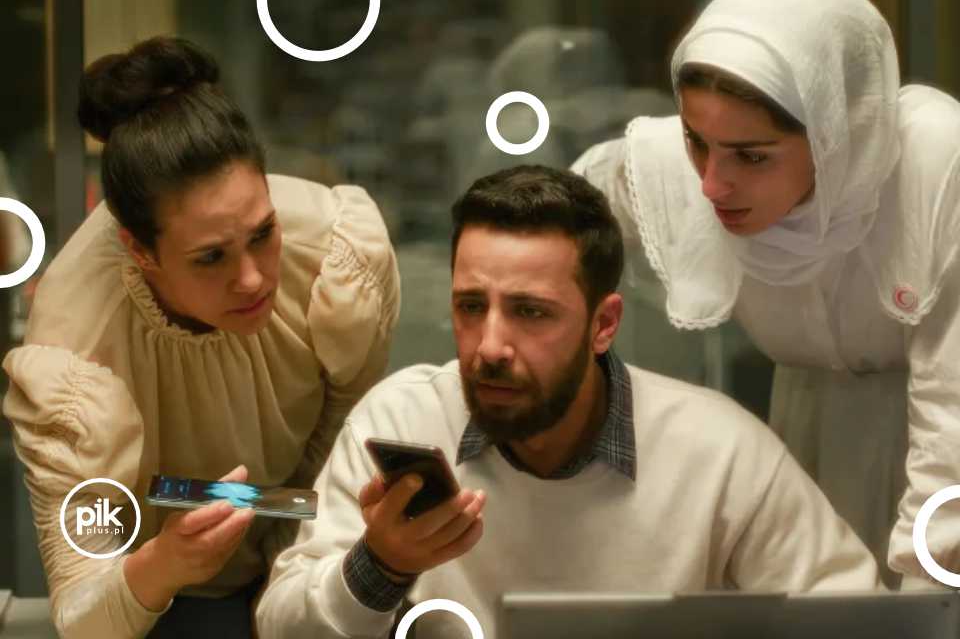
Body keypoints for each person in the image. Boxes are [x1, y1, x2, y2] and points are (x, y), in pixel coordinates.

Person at [255, 166, 881, 639]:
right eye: (470, 306)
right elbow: (280, 628)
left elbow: (860, 619)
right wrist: (380, 566)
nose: (489, 347)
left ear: (604, 324)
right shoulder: (404, 420)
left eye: (530, 312)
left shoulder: (719, 452)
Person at [1, 37, 400, 637]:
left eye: (263, 233)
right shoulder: (74, 350)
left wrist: (289, 571)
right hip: (152, 605)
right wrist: (165, 564)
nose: (253, 278)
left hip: (303, 565)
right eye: (211, 257)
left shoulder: (332, 255)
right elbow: (84, 613)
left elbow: (335, 444)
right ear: (140, 251)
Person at [572, 0, 960, 588]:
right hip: (801, 442)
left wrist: (925, 605)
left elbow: (950, 416)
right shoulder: (684, 165)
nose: (711, 184)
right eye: (695, 141)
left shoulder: (936, 161)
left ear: (834, 133)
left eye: (752, 157)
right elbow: (553, 220)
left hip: (936, 465)